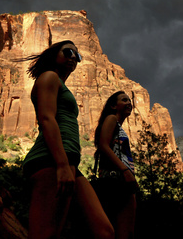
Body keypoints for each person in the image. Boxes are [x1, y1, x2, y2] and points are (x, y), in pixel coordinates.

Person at [21, 40, 114, 239]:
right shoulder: (49, 77)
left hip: (68, 160)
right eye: (68, 52)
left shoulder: (60, 84)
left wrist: (66, 163)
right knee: (45, 234)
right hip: (50, 159)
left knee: (104, 231)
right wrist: (62, 164)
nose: (73, 57)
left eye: (77, 56)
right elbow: (46, 119)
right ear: (54, 54)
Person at [94, 91, 138, 239]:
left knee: (126, 233)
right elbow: (103, 146)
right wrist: (125, 170)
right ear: (113, 105)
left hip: (124, 182)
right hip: (114, 181)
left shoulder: (119, 126)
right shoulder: (111, 119)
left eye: (130, 101)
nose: (129, 103)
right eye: (124, 100)